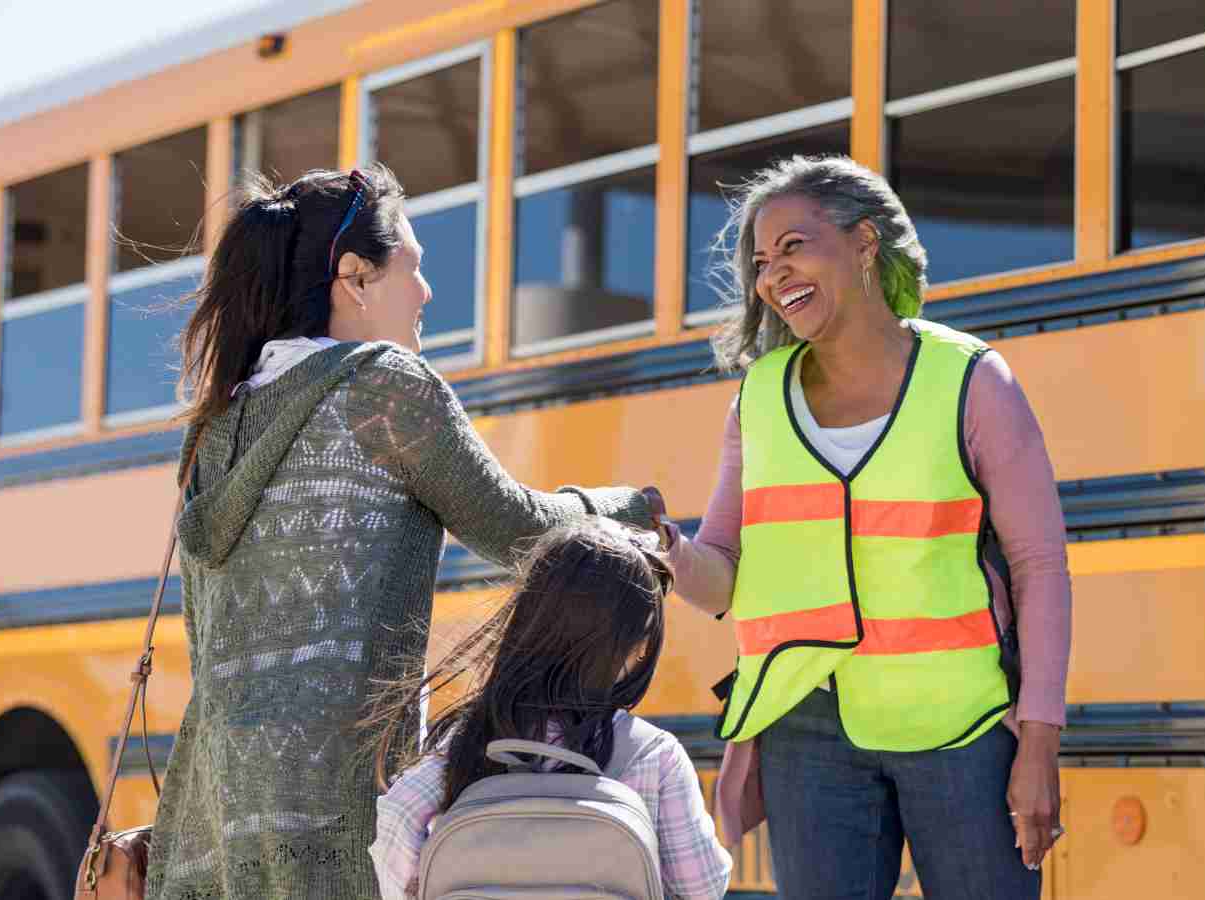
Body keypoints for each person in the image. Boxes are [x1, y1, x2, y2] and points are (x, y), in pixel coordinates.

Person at [144, 166, 663, 899]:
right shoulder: (383, 386)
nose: (427, 293)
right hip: (341, 789)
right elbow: (519, 530)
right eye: (413, 269)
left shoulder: (217, 422)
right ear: (354, 278)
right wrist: (632, 509)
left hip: (218, 795)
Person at [657, 154, 1073, 899]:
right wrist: (667, 550)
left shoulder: (972, 380)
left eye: (794, 246)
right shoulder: (758, 399)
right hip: (805, 732)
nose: (773, 275)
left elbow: (1040, 564)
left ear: (864, 243)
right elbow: (722, 572)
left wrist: (1039, 735)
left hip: (959, 727)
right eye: (760, 260)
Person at [367, 518, 732, 900]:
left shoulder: (474, 739)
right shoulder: (653, 755)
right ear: (637, 644)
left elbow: (400, 814)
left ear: (530, 621)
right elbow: (700, 887)